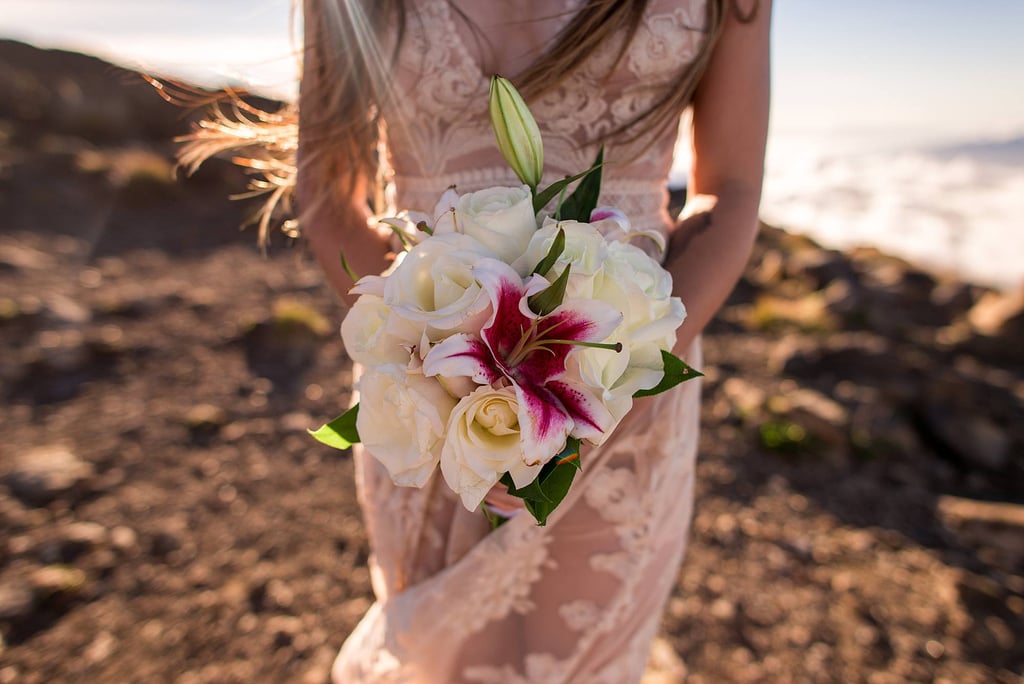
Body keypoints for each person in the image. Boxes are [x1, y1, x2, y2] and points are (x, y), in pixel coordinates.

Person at [294, 0, 769, 681]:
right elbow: (328, 190)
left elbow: (731, 187)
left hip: (624, 390)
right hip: (425, 386)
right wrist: (430, 360)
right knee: (439, 657)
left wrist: (614, 390)